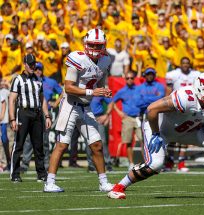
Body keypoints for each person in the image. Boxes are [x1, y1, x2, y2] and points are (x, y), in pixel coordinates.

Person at [107, 73, 204, 199]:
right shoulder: (186, 97)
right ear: (199, 89)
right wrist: (156, 133)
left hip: (184, 131)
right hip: (160, 130)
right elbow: (151, 109)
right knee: (155, 165)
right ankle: (118, 187)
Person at [44, 28, 114, 193]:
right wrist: (93, 92)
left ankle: (103, 182)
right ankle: (49, 182)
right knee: (62, 144)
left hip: (86, 106)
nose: (95, 49)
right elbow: (68, 88)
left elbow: (102, 80)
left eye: (98, 46)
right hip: (70, 105)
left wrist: (105, 89)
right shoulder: (77, 58)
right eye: (92, 45)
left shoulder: (105, 60)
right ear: (85, 44)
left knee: (96, 145)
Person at [9, 54, 52, 182]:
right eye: (30, 64)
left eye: (34, 64)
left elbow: (42, 99)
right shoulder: (18, 79)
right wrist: (12, 119)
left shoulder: (38, 79)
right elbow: (12, 100)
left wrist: (47, 116)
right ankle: (15, 174)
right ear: (25, 64)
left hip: (37, 114)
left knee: (39, 146)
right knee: (19, 144)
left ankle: (41, 174)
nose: (33, 66)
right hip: (23, 112)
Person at [20, 62, 63, 171]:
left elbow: (63, 92)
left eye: (40, 69)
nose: (38, 71)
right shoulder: (28, 80)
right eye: (36, 69)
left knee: (44, 140)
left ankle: (46, 165)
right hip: (31, 112)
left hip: (44, 113)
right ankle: (25, 164)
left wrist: (56, 103)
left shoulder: (50, 81)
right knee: (29, 140)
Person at [164, 57, 200, 172]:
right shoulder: (173, 75)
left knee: (184, 135)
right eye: (183, 63)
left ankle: (181, 162)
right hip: (176, 106)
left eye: (187, 63)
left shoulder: (196, 74)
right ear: (180, 64)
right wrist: (167, 105)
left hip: (190, 108)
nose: (185, 65)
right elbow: (168, 91)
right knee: (172, 137)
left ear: (190, 64)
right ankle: (169, 162)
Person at [111, 71, 143, 170]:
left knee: (143, 140)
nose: (129, 80)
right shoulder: (122, 91)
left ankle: (146, 162)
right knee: (128, 142)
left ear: (134, 79)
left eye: (131, 78)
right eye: (128, 78)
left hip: (138, 117)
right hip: (128, 118)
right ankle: (131, 163)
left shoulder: (139, 89)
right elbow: (113, 102)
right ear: (125, 79)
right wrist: (119, 112)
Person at [0, 79, 10, 171]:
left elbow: (3, 103)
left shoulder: (5, 92)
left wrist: (2, 115)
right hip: (4, 121)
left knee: (4, 143)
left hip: (4, 122)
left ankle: (5, 164)